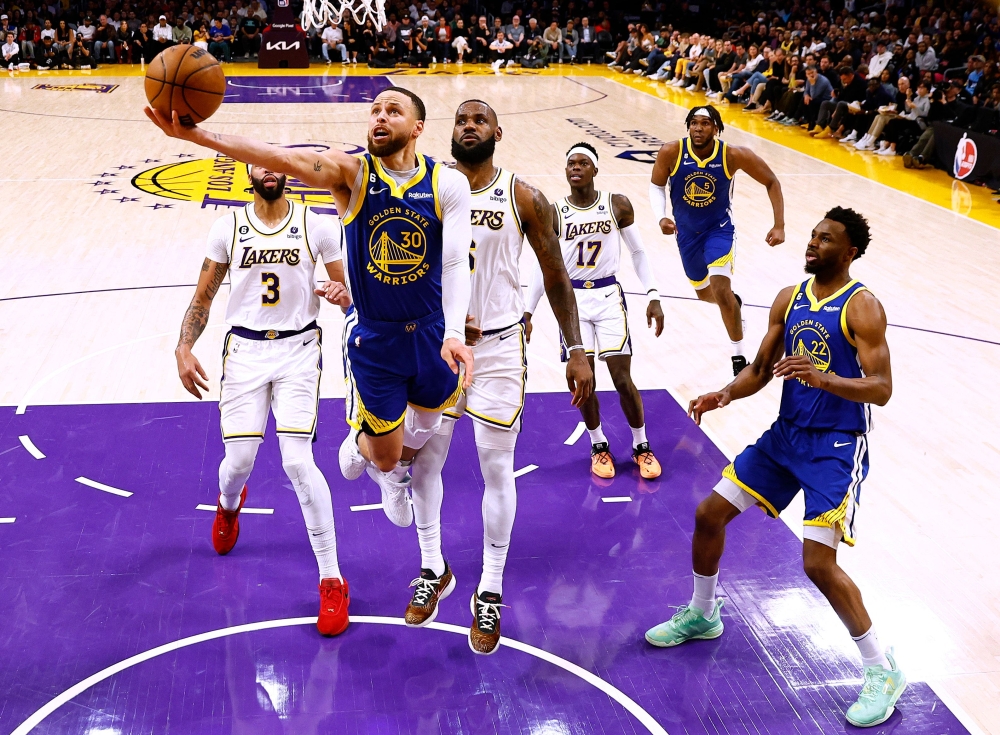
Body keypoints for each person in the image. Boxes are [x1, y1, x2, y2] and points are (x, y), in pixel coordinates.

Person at [146, 87, 474, 529]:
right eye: (374, 109)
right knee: (386, 452)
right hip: (377, 337)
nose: (379, 116)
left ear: (417, 127)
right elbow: (282, 158)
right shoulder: (352, 173)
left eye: (392, 111)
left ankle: (393, 469)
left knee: (426, 426)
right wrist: (201, 137)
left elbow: (454, 262)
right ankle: (378, 457)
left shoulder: (446, 183)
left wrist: (454, 330)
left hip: (432, 330)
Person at [645, 207, 905, 729]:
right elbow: (762, 370)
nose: (812, 244)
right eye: (812, 236)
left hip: (835, 445)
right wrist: (724, 393)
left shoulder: (863, 307)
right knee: (708, 514)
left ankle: (882, 669)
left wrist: (823, 377)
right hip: (784, 437)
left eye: (825, 239)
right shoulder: (791, 298)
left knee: (816, 564)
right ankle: (704, 612)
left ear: (850, 251)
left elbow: (882, 389)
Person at [403, 100, 593, 655]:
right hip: (442, 347)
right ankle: (433, 567)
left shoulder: (524, 196)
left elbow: (556, 273)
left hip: (501, 347)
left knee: (495, 465)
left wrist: (576, 347)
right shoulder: (431, 186)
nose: (467, 126)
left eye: (478, 120)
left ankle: (488, 587)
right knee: (426, 459)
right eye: (459, 119)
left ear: (497, 133)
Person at [175, 163, 350, 637]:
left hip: (298, 349)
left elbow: (348, 294)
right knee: (238, 462)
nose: (269, 170)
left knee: (298, 462)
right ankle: (229, 504)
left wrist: (341, 293)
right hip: (246, 353)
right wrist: (184, 346)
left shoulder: (317, 225)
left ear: (286, 173)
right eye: (260, 164)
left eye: (276, 163)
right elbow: (203, 298)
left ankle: (331, 580)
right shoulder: (227, 227)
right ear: (248, 172)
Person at [526, 142, 664, 480]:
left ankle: (641, 445)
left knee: (621, 378)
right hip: (571, 302)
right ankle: (598, 445)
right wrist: (528, 312)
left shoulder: (616, 205)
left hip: (607, 296)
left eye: (582, 163)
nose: (575, 167)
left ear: (595, 169)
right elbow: (543, 266)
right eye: (570, 163)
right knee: (584, 380)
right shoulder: (554, 212)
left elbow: (639, 252)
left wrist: (653, 294)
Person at [650, 105, 784, 376]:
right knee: (704, 294)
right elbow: (656, 186)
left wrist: (779, 224)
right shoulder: (671, 151)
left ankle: (738, 355)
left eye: (705, 123)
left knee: (720, 287)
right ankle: (734, 303)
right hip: (686, 234)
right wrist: (660, 217)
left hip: (719, 230)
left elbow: (771, 181)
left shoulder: (733, 155)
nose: (698, 128)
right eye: (694, 123)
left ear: (716, 128)